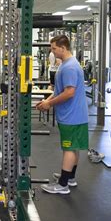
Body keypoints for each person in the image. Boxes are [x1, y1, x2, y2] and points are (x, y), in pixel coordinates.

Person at [36, 35, 89, 194]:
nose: (52, 52)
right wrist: (47, 100)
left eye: (53, 48)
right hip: (73, 115)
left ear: (63, 48)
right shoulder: (67, 64)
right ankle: (70, 177)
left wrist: (49, 103)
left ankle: (63, 184)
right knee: (74, 147)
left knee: (69, 149)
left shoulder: (70, 67)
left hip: (72, 116)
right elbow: (60, 91)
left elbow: (69, 93)